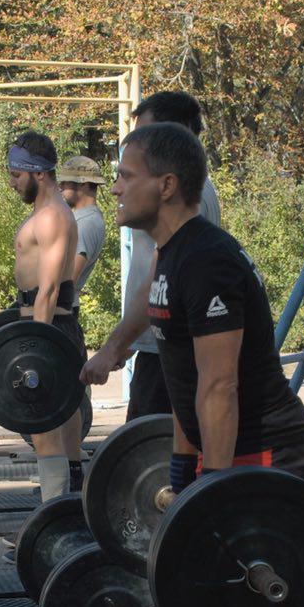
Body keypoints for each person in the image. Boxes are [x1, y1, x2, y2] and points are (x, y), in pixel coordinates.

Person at [83, 123, 304, 607]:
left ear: (167, 185)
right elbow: (187, 386)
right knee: (217, 605)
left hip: (261, 448)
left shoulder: (207, 260)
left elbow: (221, 386)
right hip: (220, 446)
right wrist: (183, 471)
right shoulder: (168, 256)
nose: (115, 186)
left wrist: (212, 491)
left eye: (126, 174)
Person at [119, 92, 221, 421]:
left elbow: (158, 278)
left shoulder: (188, 196)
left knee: (150, 449)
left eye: (144, 136)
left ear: (173, 135)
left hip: (171, 351)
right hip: (160, 347)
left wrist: (113, 348)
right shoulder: (184, 189)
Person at [6, 131, 86, 497]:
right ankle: (68, 502)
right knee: (63, 420)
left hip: (49, 325)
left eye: (16, 175)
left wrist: (36, 345)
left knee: (43, 427)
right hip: (52, 324)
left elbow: (50, 289)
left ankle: (52, 511)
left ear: (38, 173)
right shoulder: (48, 212)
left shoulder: (52, 216)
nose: (12, 183)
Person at [57, 155, 108, 308]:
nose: (60, 187)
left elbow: (67, 281)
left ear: (83, 184)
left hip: (60, 309)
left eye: (65, 182)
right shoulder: (83, 219)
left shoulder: (87, 223)